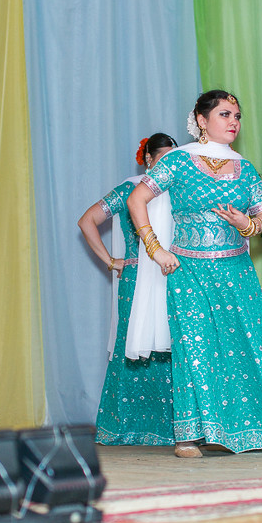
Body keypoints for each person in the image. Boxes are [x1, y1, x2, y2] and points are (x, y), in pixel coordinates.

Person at [126, 89, 262, 457]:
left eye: (237, 116)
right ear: (201, 120)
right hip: (188, 268)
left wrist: (251, 224)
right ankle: (188, 437)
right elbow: (136, 200)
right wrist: (156, 248)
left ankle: (253, 430)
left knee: (247, 346)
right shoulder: (178, 161)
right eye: (225, 115)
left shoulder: (244, 167)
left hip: (236, 268)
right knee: (196, 347)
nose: (234, 123)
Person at [78, 133, 177, 446]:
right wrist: (110, 261)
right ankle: (124, 427)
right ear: (147, 159)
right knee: (132, 344)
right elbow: (87, 221)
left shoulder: (180, 188)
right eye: (163, 159)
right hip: (136, 278)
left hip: (173, 273)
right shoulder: (132, 189)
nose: (168, 166)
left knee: (172, 346)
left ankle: (176, 428)